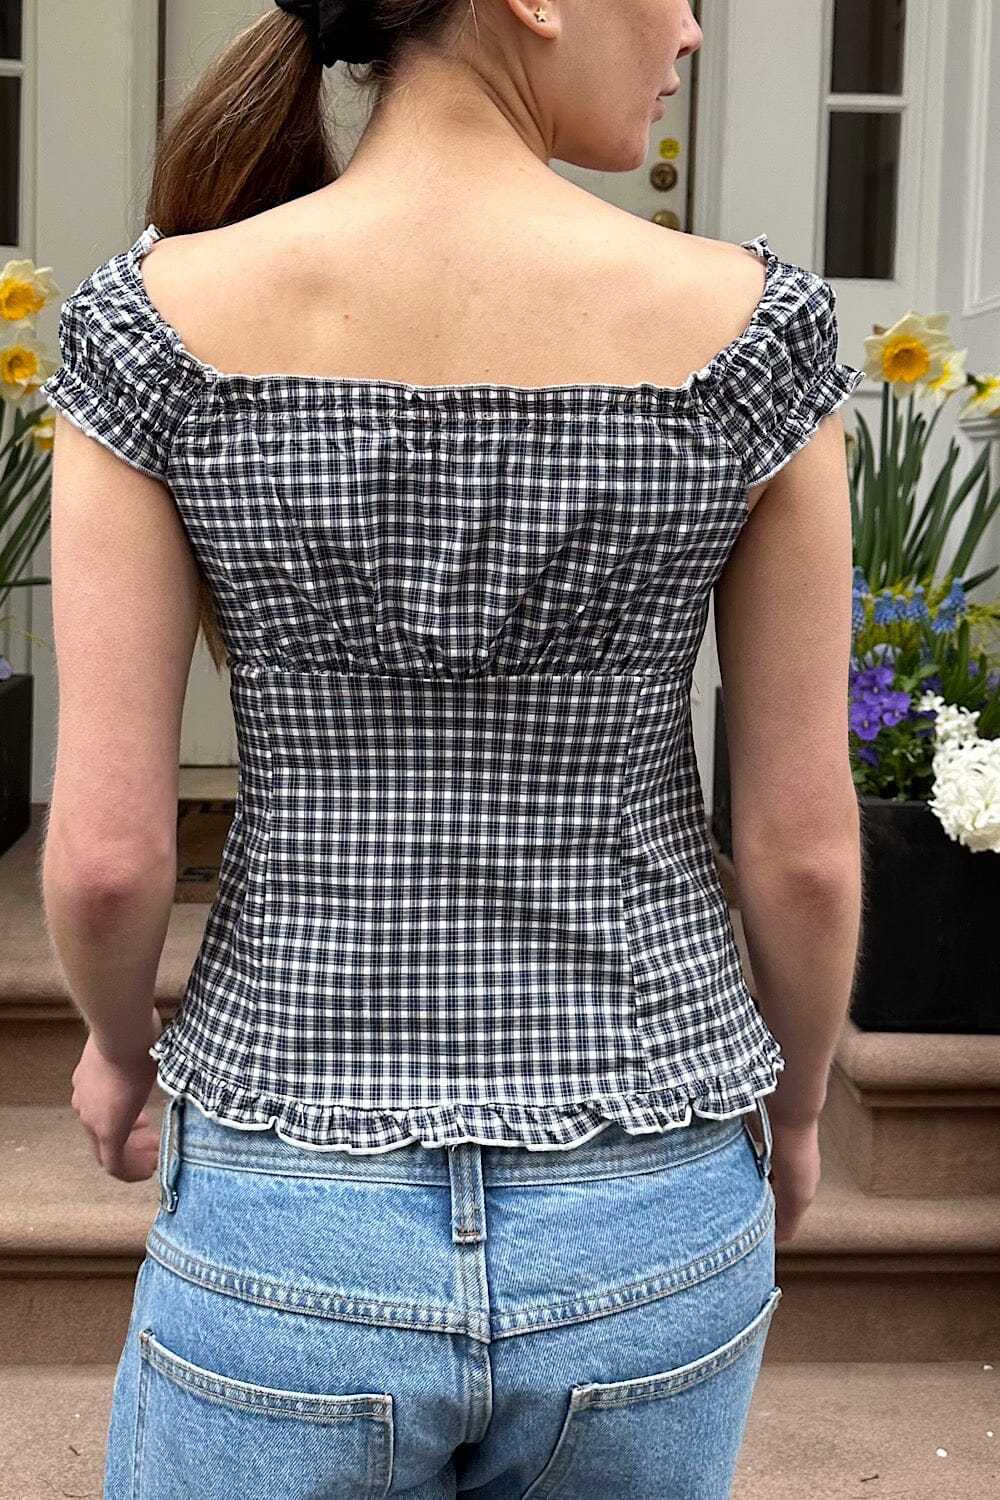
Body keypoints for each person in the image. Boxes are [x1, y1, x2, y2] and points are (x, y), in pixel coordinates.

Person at [38, 2, 864, 1496]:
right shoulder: (756, 338)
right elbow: (800, 848)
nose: (689, 29)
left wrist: (112, 1045)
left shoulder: (152, 329)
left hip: (294, 1200)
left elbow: (106, 856)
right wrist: (798, 1105)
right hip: (651, 1188)